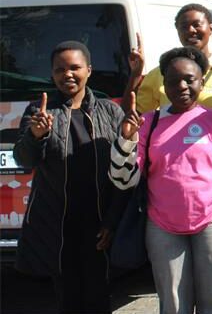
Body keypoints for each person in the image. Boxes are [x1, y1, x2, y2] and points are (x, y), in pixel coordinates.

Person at [110, 46, 212, 314]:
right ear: (163, 84)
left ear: (201, 81)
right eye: (173, 81)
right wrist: (125, 140)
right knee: (173, 304)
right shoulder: (148, 123)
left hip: (211, 222)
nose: (182, 86)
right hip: (162, 225)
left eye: (190, 79)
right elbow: (123, 179)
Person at [13, 41, 128, 314]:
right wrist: (35, 136)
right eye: (60, 69)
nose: (68, 74)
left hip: (101, 223)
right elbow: (24, 160)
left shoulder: (110, 111)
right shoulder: (39, 112)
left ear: (89, 70)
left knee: (100, 298)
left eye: (75, 67)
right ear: (52, 74)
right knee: (68, 299)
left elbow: (125, 172)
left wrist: (112, 221)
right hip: (57, 225)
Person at [127, 3, 212, 127]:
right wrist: (135, 74)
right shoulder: (159, 73)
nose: (191, 30)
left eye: (196, 24)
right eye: (184, 26)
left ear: (211, 28)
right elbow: (136, 118)